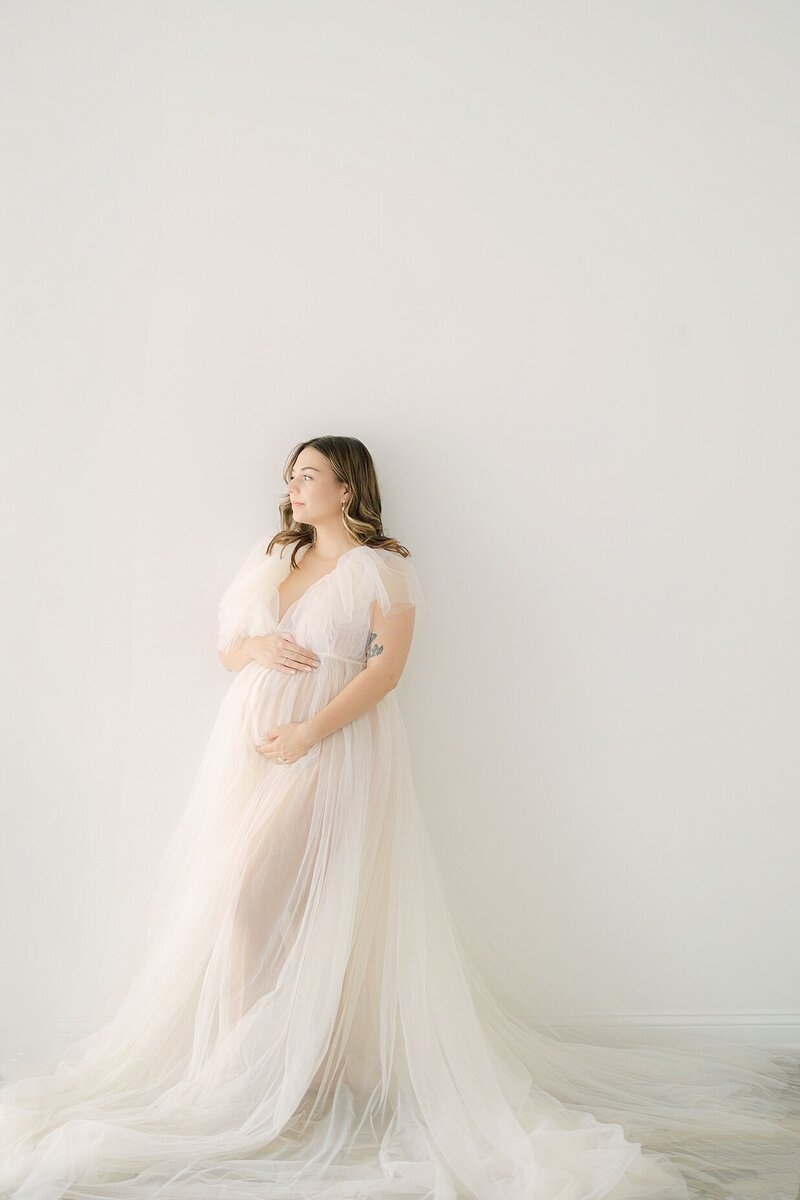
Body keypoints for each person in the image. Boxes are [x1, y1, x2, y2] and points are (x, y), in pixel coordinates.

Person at [0, 434, 798, 1200]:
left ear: (348, 486)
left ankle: (270, 1077)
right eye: (289, 475)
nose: (291, 488)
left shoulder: (382, 571)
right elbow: (226, 648)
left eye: (307, 475)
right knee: (248, 906)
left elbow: (387, 672)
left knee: (265, 902)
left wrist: (310, 729)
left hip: (333, 745)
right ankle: (263, 1073)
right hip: (250, 753)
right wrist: (257, 655)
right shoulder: (274, 557)